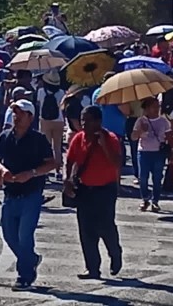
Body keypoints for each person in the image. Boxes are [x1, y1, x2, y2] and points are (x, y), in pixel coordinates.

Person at [0, 99, 56, 291]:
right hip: (10, 194)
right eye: (14, 112)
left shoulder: (38, 139)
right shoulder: (5, 136)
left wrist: (31, 173)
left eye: (20, 113)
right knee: (9, 235)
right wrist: (3, 171)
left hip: (31, 194)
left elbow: (51, 163)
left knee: (25, 236)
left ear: (30, 116)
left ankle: (24, 275)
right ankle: (31, 259)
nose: (16, 116)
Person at [65, 105, 123, 280]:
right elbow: (69, 160)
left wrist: (103, 144)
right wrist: (66, 179)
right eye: (83, 120)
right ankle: (92, 268)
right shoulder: (78, 138)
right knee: (86, 229)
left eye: (88, 120)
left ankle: (115, 252)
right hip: (85, 189)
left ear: (98, 122)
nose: (84, 124)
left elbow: (116, 163)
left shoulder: (110, 138)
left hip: (105, 189)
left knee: (105, 226)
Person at [131, 97, 170, 212]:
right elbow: (133, 137)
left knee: (157, 178)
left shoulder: (163, 121)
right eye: (154, 107)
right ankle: (145, 199)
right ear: (147, 108)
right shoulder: (141, 121)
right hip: (144, 152)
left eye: (158, 106)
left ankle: (155, 201)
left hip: (158, 153)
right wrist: (140, 131)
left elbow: (169, 137)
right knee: (143, 177)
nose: (157, 109)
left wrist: (171, 151)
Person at [36, 70, 65, 181]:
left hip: (44, 120)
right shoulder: (61, 92)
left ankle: (46, 172)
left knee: (45, 147)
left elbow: (38, 104)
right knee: (57, 146)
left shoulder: (41, 91)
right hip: (59, 120)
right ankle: (58, 171)